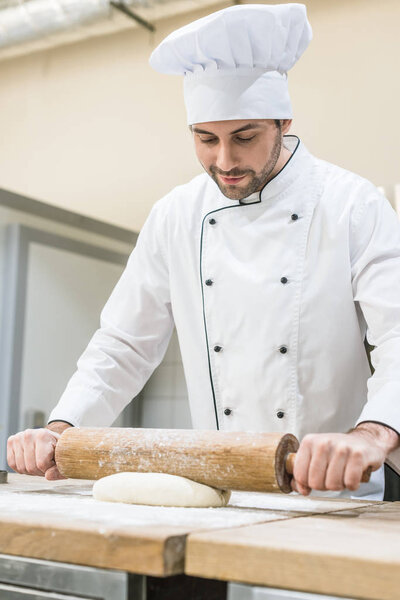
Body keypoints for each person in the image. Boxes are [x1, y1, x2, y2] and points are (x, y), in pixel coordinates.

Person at [7, 3, 400, 499]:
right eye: (205, 139)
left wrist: (372, 435)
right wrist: (62, 427)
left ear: (282, 120)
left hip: (334, 495)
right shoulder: (176, 214)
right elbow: (125, 342)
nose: (225, 160)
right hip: (222, 494)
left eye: (245, 137)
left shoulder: (351, 204)